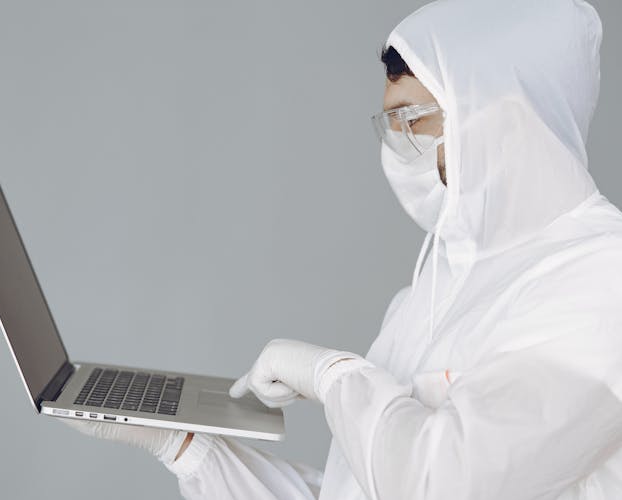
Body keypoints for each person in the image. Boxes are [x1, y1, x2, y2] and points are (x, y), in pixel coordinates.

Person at [63, 0, 622, 498]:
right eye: (390, 123)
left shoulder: (600, 278)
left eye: (413, 120)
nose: (397, 148)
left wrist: (333, 377)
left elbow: (443, 483)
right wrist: (188, 447)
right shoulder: (431, 290)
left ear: (500, 117)